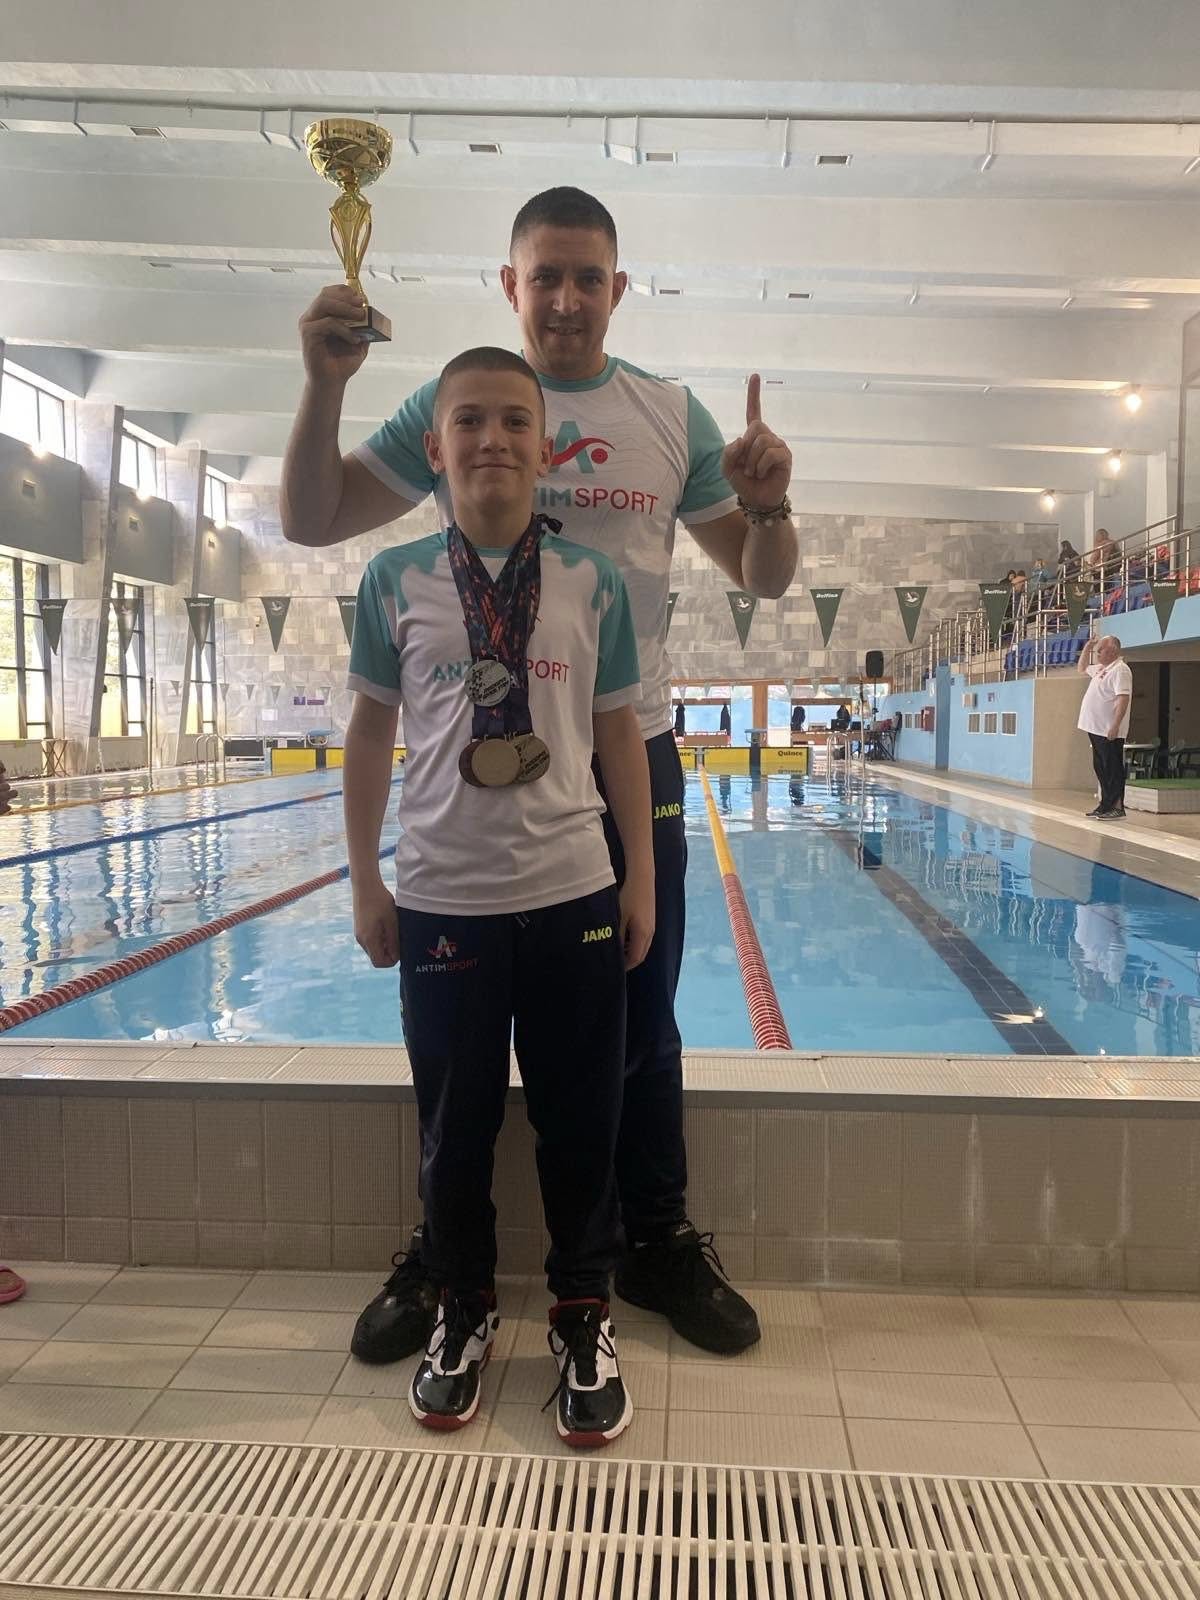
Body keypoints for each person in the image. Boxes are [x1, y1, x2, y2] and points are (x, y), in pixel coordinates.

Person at [283, 186, 797, 1362]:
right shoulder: (458, 400)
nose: (566, 298)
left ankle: (652, 1237)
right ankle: (444, 1254)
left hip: (625, 746)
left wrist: (770, 508)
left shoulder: (667, 413)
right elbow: (314, 515)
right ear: (509, 286)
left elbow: (763, 574)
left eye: (588, 277)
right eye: (545, 276)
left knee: (641, 1011)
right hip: (478, 778)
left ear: (619, 289)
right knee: (454, 1036)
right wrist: (323, 383)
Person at [344, 346, 653, 1445]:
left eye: (515, 420)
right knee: (455, 1125)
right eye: (469, 420)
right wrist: (366, 879)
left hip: (573, 890)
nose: (493, 439)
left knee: (582, 1121)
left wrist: (640, 877)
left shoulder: (591, 580)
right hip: (443, 900)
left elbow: (619, 732)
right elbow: (369, 734)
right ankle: (463, 1305)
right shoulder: (392, 580)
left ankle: (582, 1311)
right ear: (435, 446)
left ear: (546, 445)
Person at [1076, 632, 1132, 819]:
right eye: (1097, 650)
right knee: (1101, 767)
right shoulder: (1103, 668)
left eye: (1101, 650)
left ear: (1113, 651)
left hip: (1108, 729)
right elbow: (1082, 668)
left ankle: (1117, 807)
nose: (1097, 653)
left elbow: (1123, 698)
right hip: (1096, 727)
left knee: (1112, 768)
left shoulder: (1120, 670)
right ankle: (1105, 805)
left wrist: (1115, 726)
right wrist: (1087, 647)